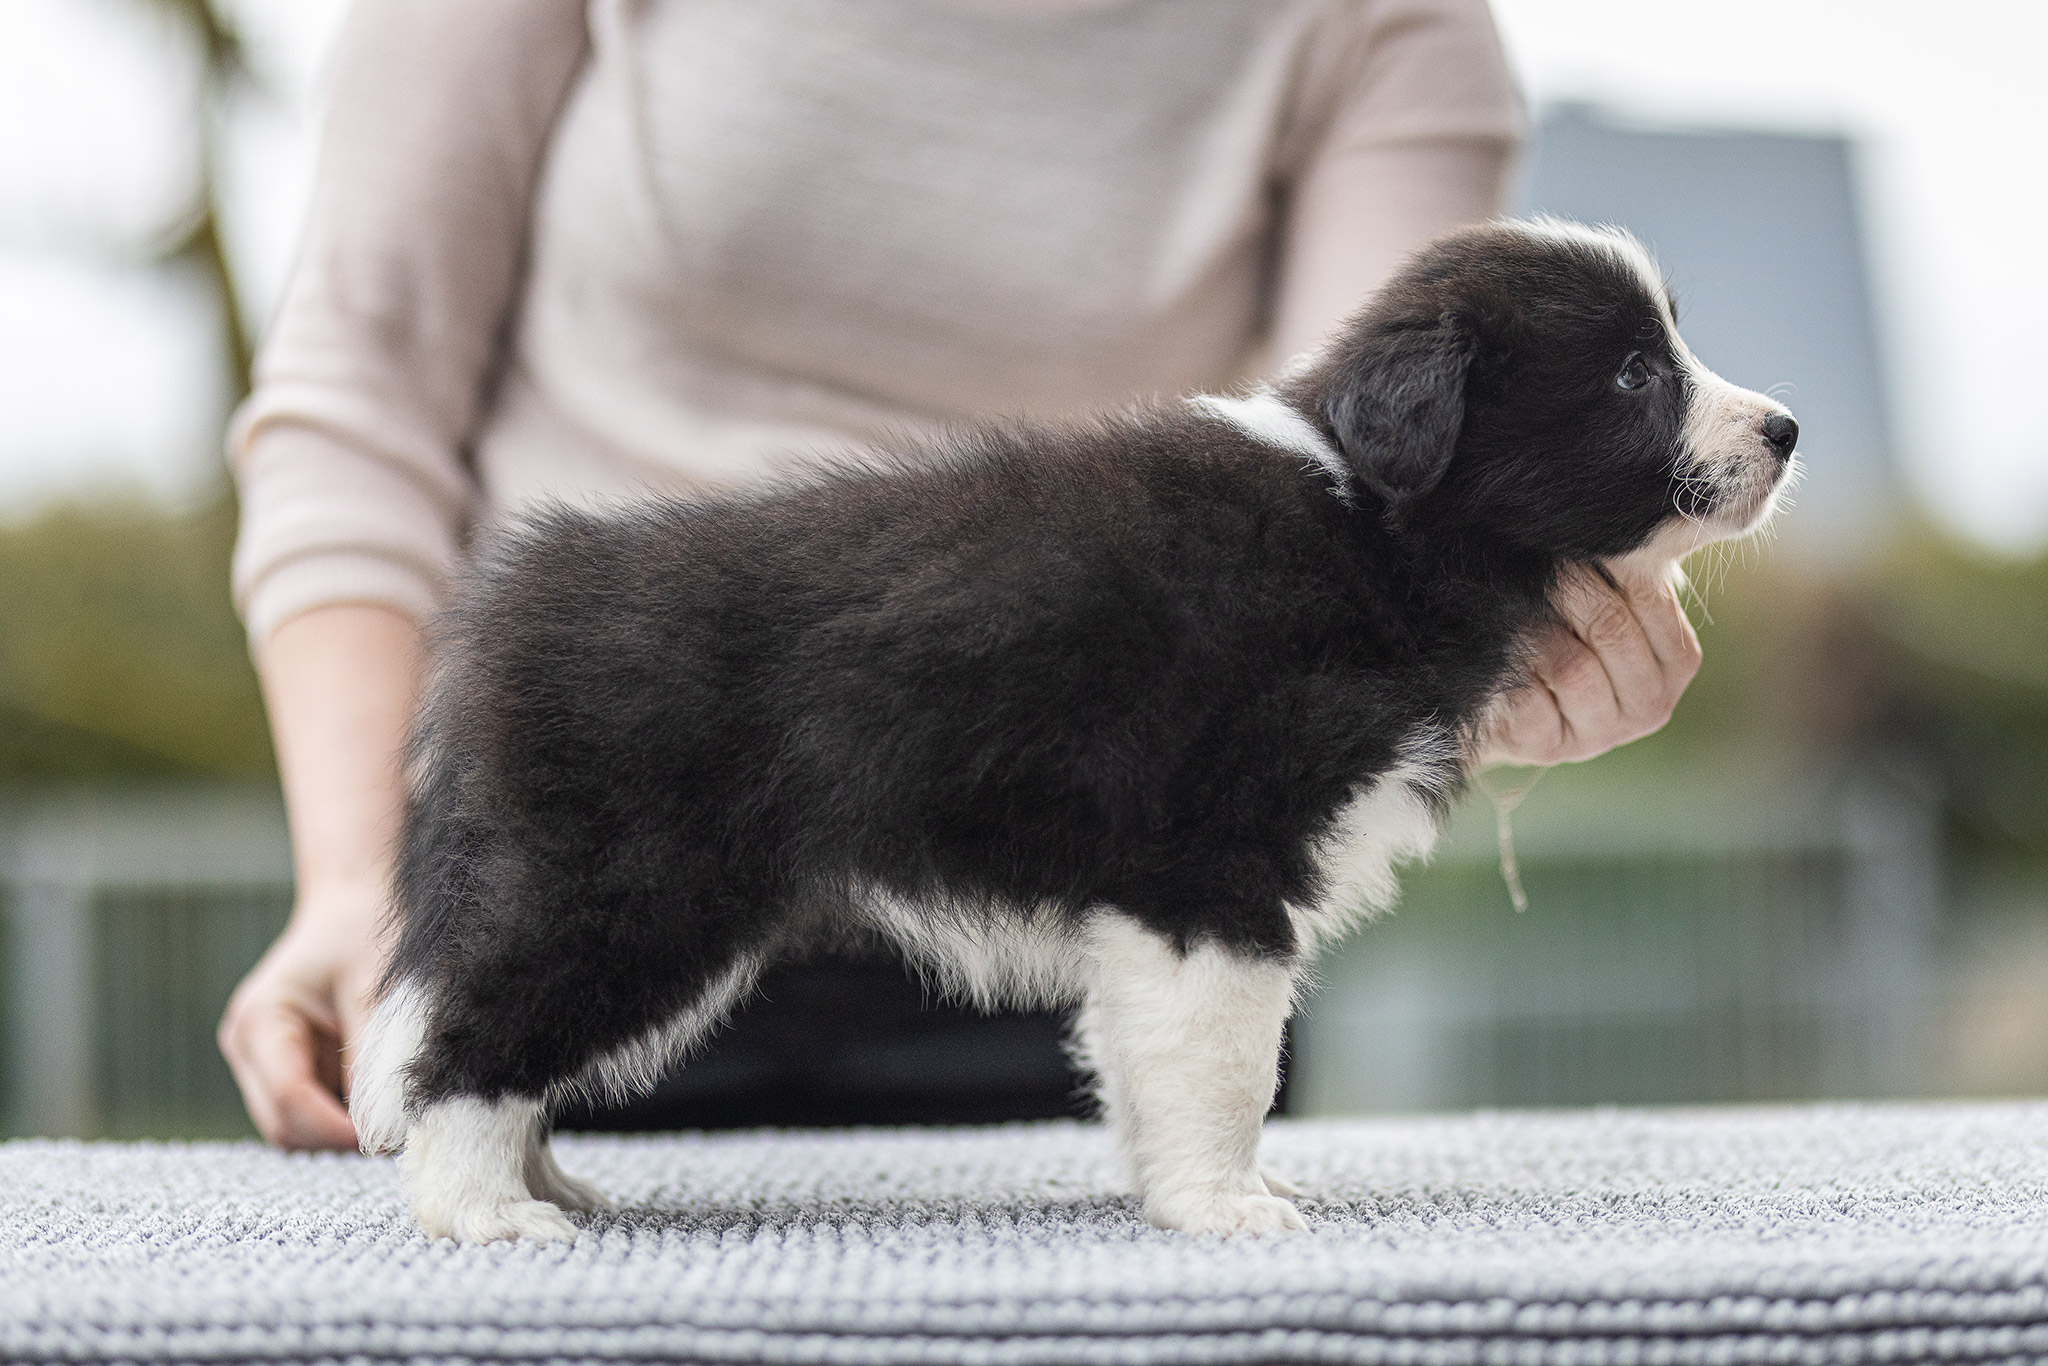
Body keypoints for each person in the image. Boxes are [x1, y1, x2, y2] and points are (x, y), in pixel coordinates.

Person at [218, 0, 1704, 1150]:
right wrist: (357, 880)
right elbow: (360, 393)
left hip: (1084, 887)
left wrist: (1527, 654)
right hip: (618, 782)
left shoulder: (1387, 21)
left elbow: (1381, 508)